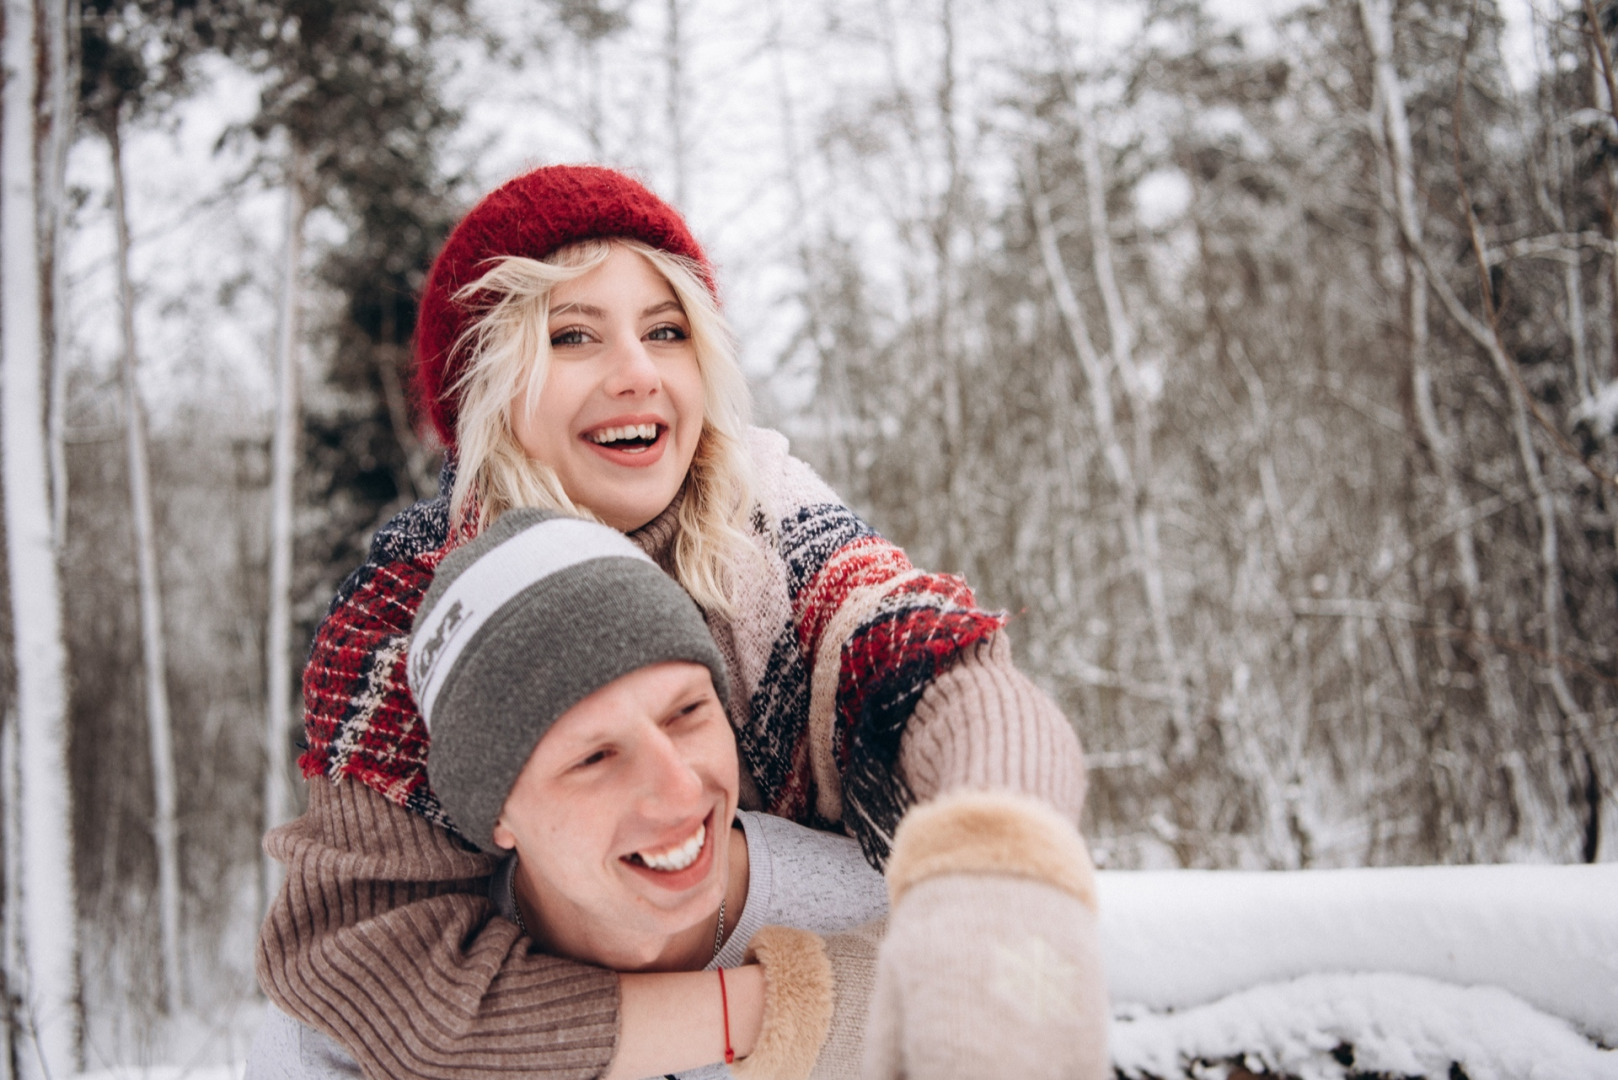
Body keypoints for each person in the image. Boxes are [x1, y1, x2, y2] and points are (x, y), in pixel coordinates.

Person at [257, 163, 1108, 1080]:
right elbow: (385, 983)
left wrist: (1001, 869)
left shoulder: (768, 527)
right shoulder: (411, 611)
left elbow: (938, 672)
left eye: (667, 331)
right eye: (572, 336)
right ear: (488, 387)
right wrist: (803, 1003)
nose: (637, 373)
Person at [249, 508, 890, 1079]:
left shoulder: (884, 920)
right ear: (495, 811)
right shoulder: (345, 1037)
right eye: (594, 756)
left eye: (687, 713)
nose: (679, 787)